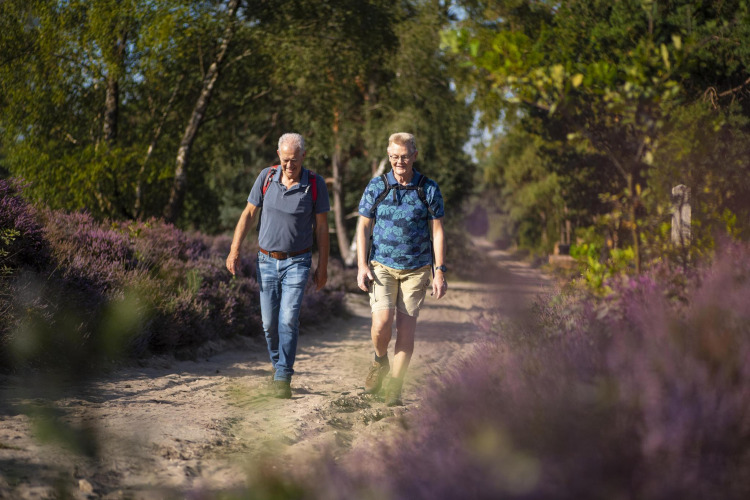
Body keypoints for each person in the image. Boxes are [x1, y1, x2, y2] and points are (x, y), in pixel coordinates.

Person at [226, 133, 330, 399]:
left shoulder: (315, 184)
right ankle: (278, 367)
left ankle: (283, 376)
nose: (289, 166)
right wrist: (235, 249)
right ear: (278, 155)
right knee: (269, 323)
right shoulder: (266, 177)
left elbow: (321, 228)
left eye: (294, 160)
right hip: (266, 261)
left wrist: (323, 266)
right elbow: (248, 213)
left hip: (298, 261)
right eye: (285, 160)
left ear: (303, 157)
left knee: (287, 319)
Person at [356, 132, 447, 406]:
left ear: (414, 156)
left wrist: (439, 270)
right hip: (381, 265)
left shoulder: (428, 189)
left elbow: (438, 231)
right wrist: (361, 265)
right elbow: (362, 226)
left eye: (405, 156)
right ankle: (379, 360)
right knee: (381, 325)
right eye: (394, 157)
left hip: (417, 269)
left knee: (406, 333)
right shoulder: (377, 186)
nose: (399, 162)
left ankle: (394, 387)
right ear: (389, 156)